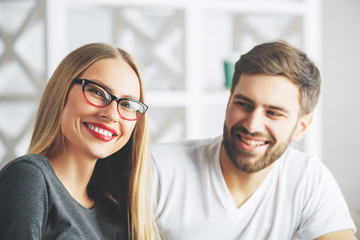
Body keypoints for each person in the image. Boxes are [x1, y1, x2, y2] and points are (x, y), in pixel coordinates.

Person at [151, 41, 357, 239]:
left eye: (273, 113)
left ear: (301, 127)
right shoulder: (159, 169)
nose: (252, 125)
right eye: (243, 104)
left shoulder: (307, 178)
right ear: (229, 101)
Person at [0, 43, 158, 240]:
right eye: (98, 92)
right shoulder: (29, 179)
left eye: (127, 104)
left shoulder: (116, 217)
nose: (111, 114)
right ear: (62, 90)